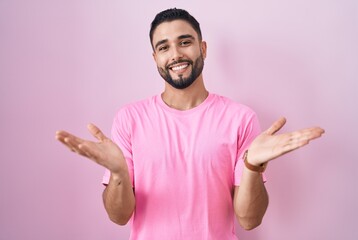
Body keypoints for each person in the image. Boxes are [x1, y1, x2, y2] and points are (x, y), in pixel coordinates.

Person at [55, 8, 324, 240]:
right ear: (155, 58)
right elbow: (119, 216)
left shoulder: (240, 118)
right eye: (164, 47)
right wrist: (118, 174)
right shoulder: (129, 118)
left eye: (185, 42)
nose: (175, 54)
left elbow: (249, 220)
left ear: (202, 48)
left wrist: (252, 166)